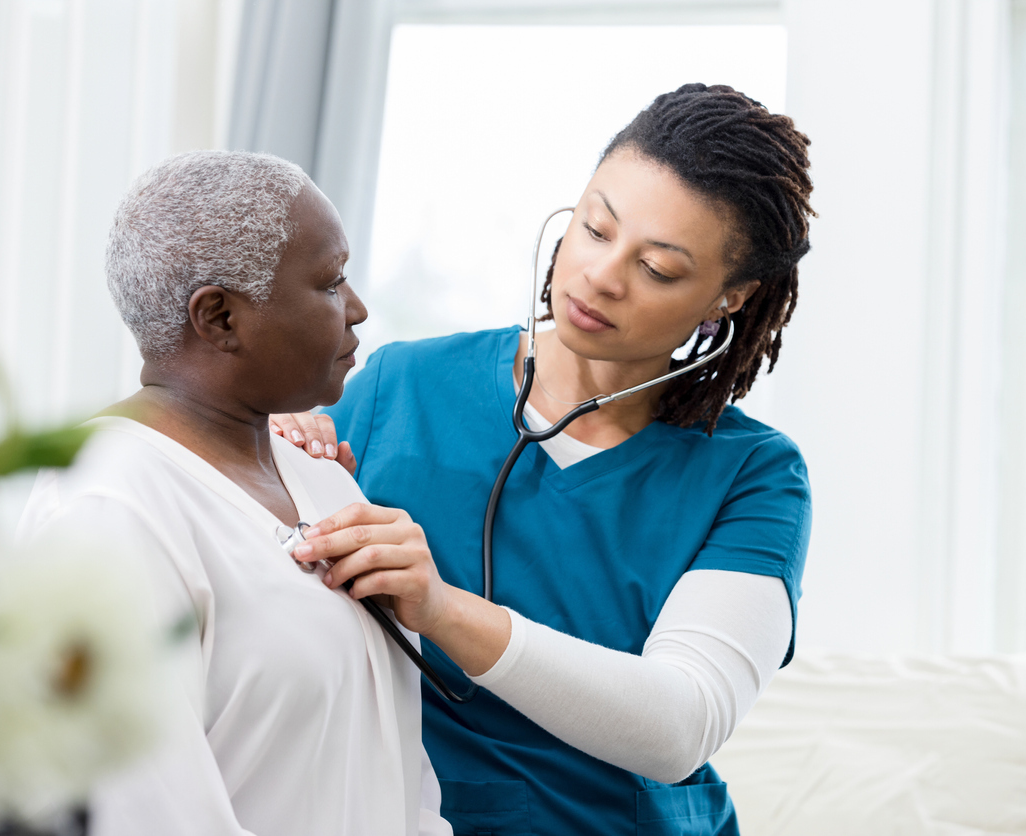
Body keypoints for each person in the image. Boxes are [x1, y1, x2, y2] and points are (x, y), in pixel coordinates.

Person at [271, 83, 816, 835]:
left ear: (729, 298)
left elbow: (678, 727)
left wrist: (441, 608)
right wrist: (272, 451)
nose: (600, 275)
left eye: (657, 268)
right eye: (595, 229)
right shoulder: (401, 386)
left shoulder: (753, 475)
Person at [16, 151, 453, 836]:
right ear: (219, 318)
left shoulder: (321, 475)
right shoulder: (105, 508)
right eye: (332, 282)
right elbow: (144, 818)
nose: (360, 309)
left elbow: (394, 771)